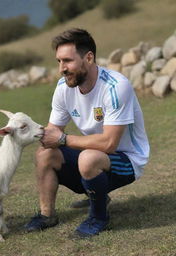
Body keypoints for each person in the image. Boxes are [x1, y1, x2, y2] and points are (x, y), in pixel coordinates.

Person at [24, 28, 150, 239]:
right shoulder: (64, 87)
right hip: (92, 157)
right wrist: (26, 132)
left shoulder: (116, 86)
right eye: (58, 61)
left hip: (127, 160)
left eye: (67, 61)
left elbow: (110, 143)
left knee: (88, 158)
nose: (62, 69)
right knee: (44, 153)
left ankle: (98, 218)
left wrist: (63, 139)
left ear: (89, 57)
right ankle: (47, 215)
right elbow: (52, 133)